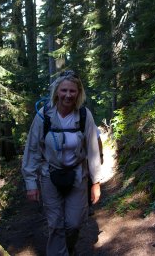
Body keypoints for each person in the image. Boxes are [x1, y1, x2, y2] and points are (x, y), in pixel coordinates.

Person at [21, 70, 103, 256]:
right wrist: (31, 184)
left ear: (78, 93)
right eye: (64, 90)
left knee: (74, 224)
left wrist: (96, 183)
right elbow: (32, 150)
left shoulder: (84, 115)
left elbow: (92, 150)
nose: (68, 95)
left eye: (72, 91)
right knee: (55, 224)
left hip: (78, 176)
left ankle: (68, 249)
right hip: (50, 175)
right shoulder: (44, 116)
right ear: (57, 92)